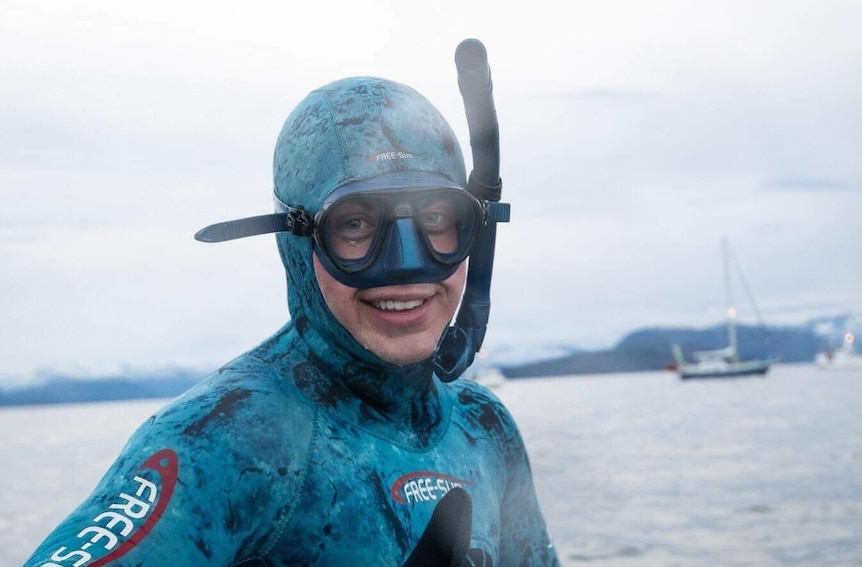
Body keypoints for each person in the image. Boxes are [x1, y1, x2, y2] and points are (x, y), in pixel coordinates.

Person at [23, 72, 560, 566]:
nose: (406, 265)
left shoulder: (486, 429)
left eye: (438, 218)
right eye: (354, 225)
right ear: (296, 244)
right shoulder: (231, 441)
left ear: (477, 229)